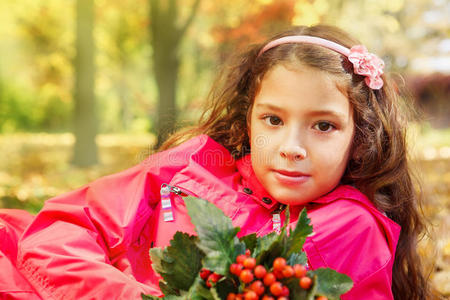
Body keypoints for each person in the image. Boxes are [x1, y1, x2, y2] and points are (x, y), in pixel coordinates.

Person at [0, 24, 434, 299]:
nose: (291, 146)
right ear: (248, 120)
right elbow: (70, 224)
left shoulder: (349, 227)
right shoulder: (198, 161)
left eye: (324, 126)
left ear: (359, 139)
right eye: (273, 120)